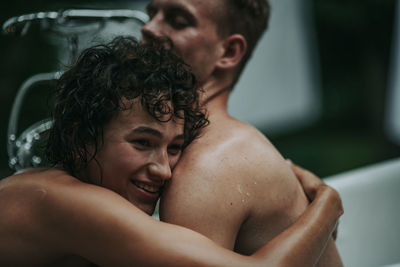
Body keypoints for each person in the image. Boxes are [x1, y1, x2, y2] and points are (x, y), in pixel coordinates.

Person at [0, 36, 343, 266]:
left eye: (175, 147)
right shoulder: (69, 203)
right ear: (81, 135)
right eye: (142, 143)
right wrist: (327, 204)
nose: (163, 169)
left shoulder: (45, 186)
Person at [141, 0, 344, 265]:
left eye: (178, 21)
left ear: (229, 51)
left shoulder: (205, 168)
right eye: (151, 13)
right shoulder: (218, 145)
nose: (148, 28)